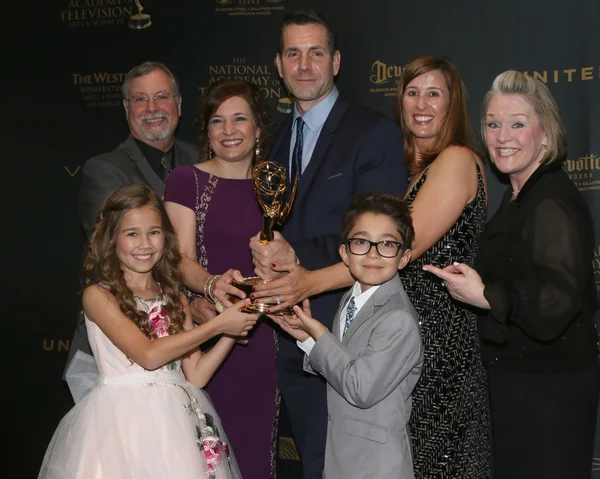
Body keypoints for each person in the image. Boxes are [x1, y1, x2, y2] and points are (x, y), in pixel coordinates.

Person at [248, 9, 408, 477]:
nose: (303, 65)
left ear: (335, 61)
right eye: (292, 54)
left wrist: (294, 257)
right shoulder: (272, 142)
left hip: (351, 342)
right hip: (286, 337)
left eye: (315, 53)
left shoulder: (372, 132)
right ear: (278, 65)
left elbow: (378, 240)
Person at [425, 70, 600, 479]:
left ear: (545, 133)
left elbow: (558, 298)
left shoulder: (550, 201)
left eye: (517, 123)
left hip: (548, 388)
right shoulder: (519, 193)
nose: (503, 135)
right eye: (493, 123)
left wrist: (486, 295)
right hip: (521, 382)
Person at [39, 184, 259, 479]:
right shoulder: (99, 296)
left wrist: (231, 330)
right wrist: (218, 325)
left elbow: (196, 375)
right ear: (112, 238)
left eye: (154, 232)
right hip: (123, 424)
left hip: (177, 422)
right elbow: (148, 355)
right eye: (132, 234)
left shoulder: (175, 297)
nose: (145, 244)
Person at [164, 78, 277, 479]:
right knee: (209, 458)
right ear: (205, 131)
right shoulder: (186, 180)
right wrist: (212, 284)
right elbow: (179, 260)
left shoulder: (276, 185)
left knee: (257, 455)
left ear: (258, 128)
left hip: (268, 339)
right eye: (217, 121)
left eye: (239, 119)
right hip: (210, 337)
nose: (229, 131)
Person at [65, 61, 198, 398]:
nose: (152, 109)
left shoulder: (201, 161)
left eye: (161, 97)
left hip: (186, 344)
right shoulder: (104, 170)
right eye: (140, 100)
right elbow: (134, 254)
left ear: (179, 104)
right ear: (126, 109)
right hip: (117, 353)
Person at [271, 192, 423, 479]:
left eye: (388, 244)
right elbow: (341, 365)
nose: (374, 253)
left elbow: (360, 388)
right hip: (343, 456)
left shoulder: (398, 320)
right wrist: (306, 338)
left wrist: (321, 335)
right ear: (344, 253)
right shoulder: (352, 299)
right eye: (362, 242)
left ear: (404, 258)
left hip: (376, 466)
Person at [396, 55, 491, 478]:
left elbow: (397, 251)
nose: (421, 103)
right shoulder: (419, 174)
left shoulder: (455, 159)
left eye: (434, 93)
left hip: (443, 355)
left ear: (453, 104)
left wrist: (308, 281)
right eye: (413, 92)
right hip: (418, 353)